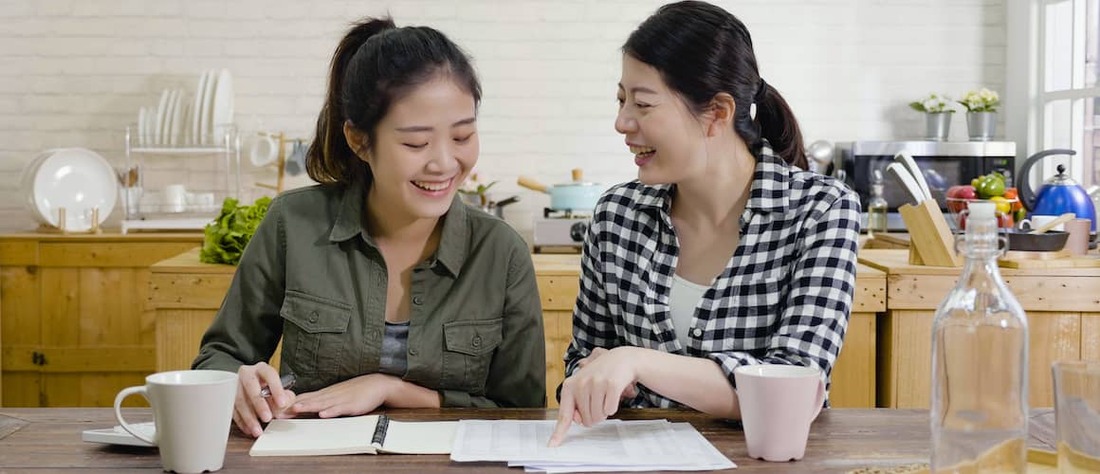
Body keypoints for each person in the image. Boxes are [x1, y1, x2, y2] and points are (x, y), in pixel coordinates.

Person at [193, 17, 546, 438]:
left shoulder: (500, 251)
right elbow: (218, 358)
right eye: (416, 143)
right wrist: (237, 382)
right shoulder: (293, 223)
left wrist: (391, 390)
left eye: (462, 136)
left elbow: (521, 411)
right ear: (360, 141)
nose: (445, 163)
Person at [550, 0, 860, 445]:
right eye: (621, 101)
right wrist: (597, 379)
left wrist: (637, 362)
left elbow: (795, 381)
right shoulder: (615, 214)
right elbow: (584, 359)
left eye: (642, 104)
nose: (622, 122)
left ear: (718, 112)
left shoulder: (821, 209)